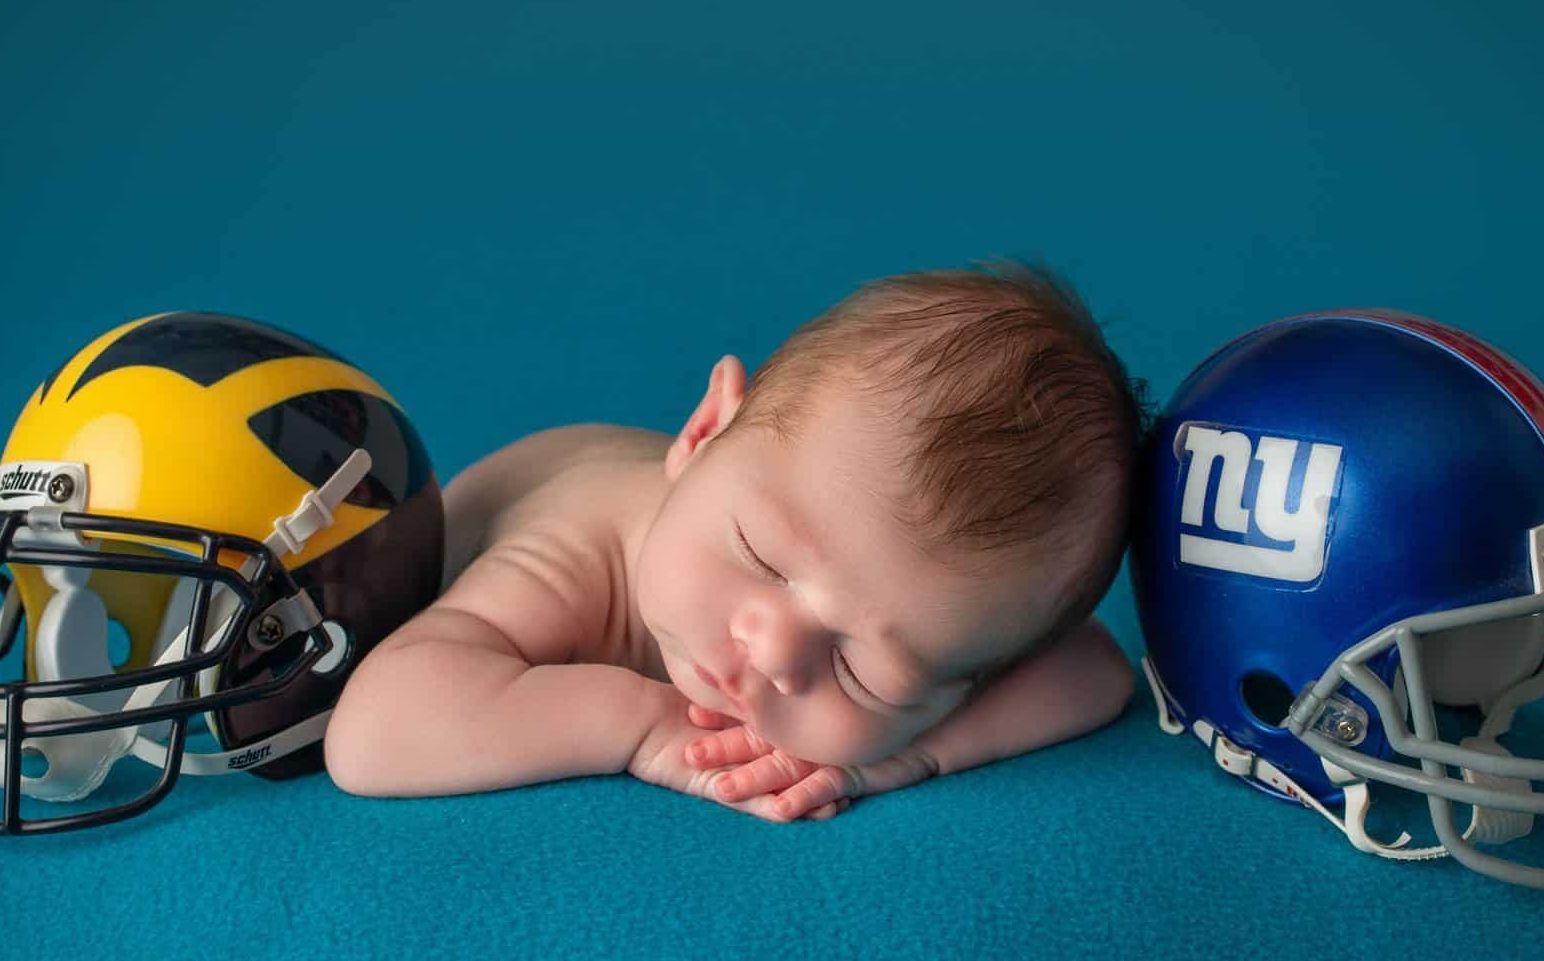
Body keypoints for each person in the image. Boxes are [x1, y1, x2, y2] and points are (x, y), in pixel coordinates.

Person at [324, 259, 1149, 821]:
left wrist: (904, 757)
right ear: (705, 429)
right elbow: (374, 731)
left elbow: (1099, 668)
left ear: (965, 683)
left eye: (866, 671)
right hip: (512, 494)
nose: (777, 655)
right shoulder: (583, 553)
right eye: (764, 557)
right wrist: (642, 726)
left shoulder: (936, 619)